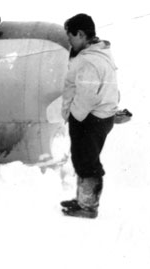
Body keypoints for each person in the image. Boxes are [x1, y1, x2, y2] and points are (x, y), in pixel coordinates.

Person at [60, 13, 119, 219]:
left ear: (82, 34)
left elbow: (85, 98)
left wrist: (73, 117)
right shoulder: (99, 53)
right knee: (85, 159)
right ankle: (83, 200)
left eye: (71, 37)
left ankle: (87, 207)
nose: (69, 42)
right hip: (98, 117)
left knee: (87, 162)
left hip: (89, 119)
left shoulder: (89, 61)